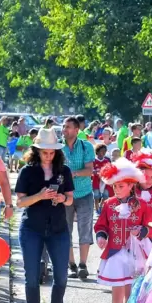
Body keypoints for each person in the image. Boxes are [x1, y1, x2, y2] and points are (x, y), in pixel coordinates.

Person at [14, 128, 74, 303]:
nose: (48, 155)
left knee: (62, 275)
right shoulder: (27, 171)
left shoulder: (64, 170)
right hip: (32, 228)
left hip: (58, 228)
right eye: (44, 152)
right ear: (37, 151)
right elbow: (20, 202)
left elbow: (70, 198)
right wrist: (39, 196)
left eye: (52, 152)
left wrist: (61, 199)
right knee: (31, 276)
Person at [94, 158, 152, 303]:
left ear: (131, 185)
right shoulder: (109, 204)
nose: (116, 189)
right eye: (115, 186)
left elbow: (149, 226)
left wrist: (141, 232)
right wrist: (101, 236)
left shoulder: (142, 204)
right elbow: (101, 224)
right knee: (117, 292)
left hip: (136, 254)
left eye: (120, 186)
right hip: (115, 254)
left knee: (132, 292)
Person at [61, 116, 96, 280]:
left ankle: (83, 264)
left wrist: (71, 174)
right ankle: (71, 265)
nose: (64, 129)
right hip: (64, 195)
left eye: (68, 127)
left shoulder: (86, 146)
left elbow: (89, 170)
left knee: (85, 229)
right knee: (65, 230)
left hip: (84, 193)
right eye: (63, 126)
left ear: (77, 130)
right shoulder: (58, 148)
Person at [92, 143, 112, 214]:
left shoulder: (106, 161)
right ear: (97, 151)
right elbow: (92, 170)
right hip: (96, 181)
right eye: (102, 151)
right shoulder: (94, 161)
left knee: (106, 195)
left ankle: (101, 206)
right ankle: (97, 208)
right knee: (96, 196)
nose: (103, 153)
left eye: (104, 151)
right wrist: (95, 172)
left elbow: (109, 170)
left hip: (105, 182)